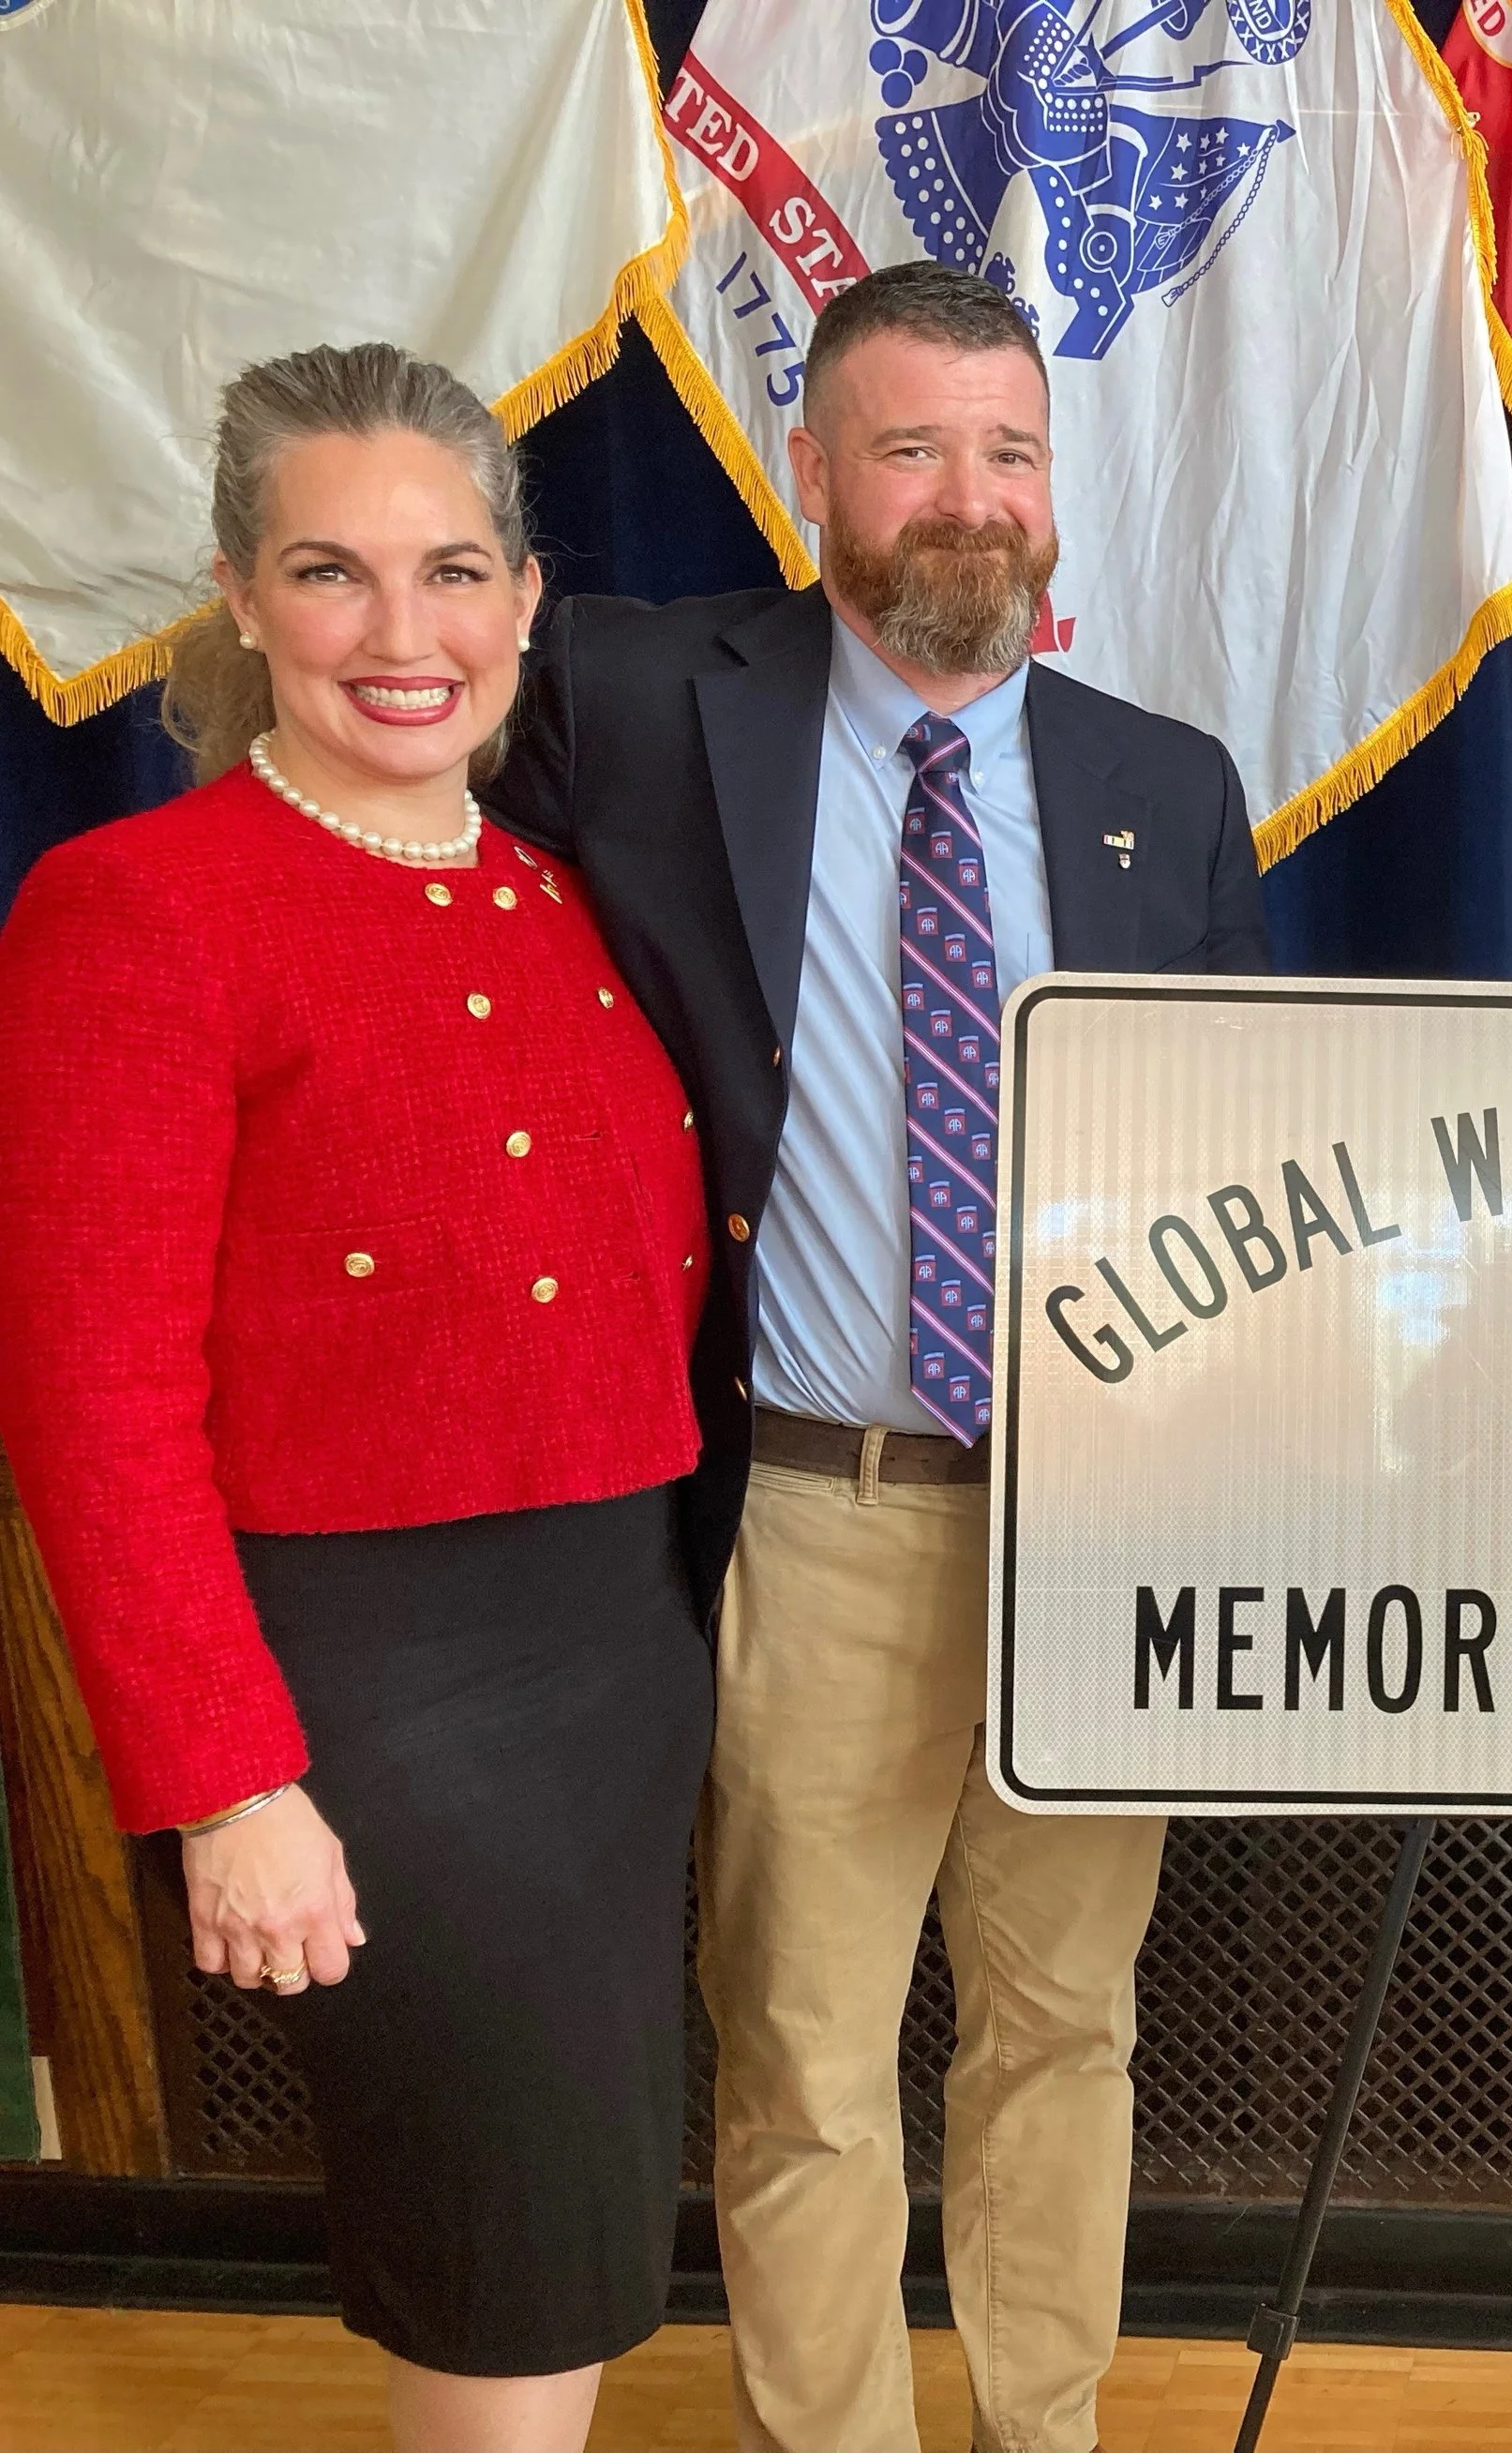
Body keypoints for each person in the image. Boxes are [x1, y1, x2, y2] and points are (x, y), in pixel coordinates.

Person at [488, 259, 1272, 2453]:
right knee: (809, 2058)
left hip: (1091, 1540)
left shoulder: (1162, 786)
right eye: (913, 448)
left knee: (1060, 2032)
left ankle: (1045, 2434)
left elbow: (1239, 1177)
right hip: (813, 1516)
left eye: (1009, 453)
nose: (968, 500)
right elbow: (401, 667)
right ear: (811, 468)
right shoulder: (648, 696)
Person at [0, 344, 714, 2453]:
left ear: (522, 599)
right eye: (332, 573)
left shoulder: (562, 897)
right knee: (495, 2227)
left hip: (616, 1652)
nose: (403, 637)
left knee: (564, 2211)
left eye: (452, 572)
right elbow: (91, 1399)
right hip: (372, 1687)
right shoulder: (137, 910)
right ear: (238, 594)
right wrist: (230, 1779)